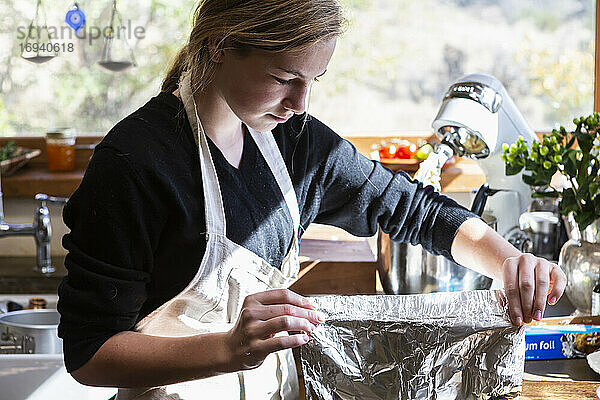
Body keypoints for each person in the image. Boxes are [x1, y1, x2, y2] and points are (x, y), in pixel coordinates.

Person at [57, 0, 567, 398]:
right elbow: (90, 354)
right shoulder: (136, 163)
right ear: (218, 46)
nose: (300, 103)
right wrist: (228, 348)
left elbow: (412, 208)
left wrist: (509, 261)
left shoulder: (294, 142)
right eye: (283, 78)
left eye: (312, 81)